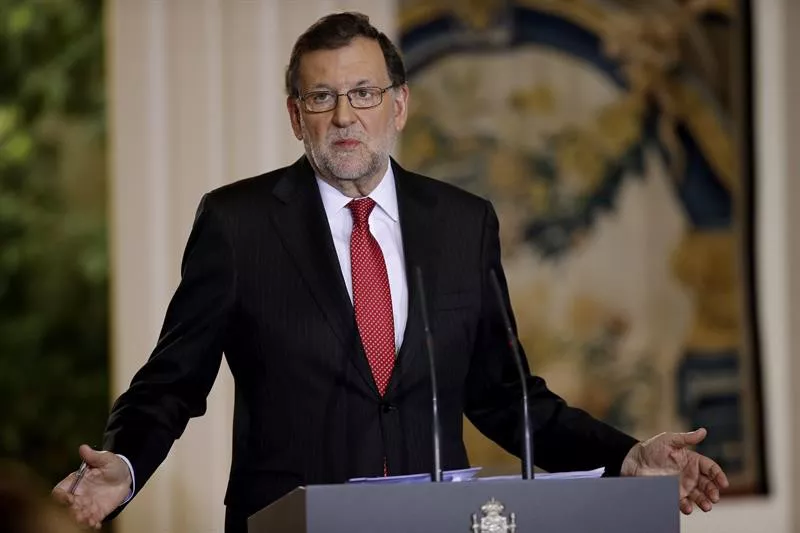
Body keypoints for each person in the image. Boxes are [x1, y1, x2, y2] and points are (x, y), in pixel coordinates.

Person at [52, 11, 729, 533]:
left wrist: (627, 457)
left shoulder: (464, 224)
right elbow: (171, 381)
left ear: (397, 106)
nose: (344, 115)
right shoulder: (239, 224)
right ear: (296, 115)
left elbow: (506, 395)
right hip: (292, 525)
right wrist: (127, 461)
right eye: (322, 97)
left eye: (363, 92)